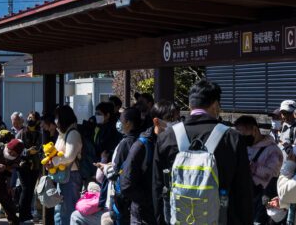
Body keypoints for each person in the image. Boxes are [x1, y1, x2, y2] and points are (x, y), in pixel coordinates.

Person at [153, 80, 254, 225]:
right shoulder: (232, 138)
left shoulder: (167, 137)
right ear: (215, 105)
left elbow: (157, 187)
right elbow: (244, 192)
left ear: (190, 105)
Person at [120, 102, 172, 224]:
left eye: (177, 118)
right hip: (143, 216)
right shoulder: (142, 146)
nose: (175, 123)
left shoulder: (171, 143)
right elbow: (126, 184)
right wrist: (151, 199)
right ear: (156, 121)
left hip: (163, 213)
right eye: (170, 119)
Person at [234, 116, 284, 224]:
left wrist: (250, 165)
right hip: (242, 199)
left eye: (243, 134)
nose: (241, 138)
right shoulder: (243, 146)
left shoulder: (273, 150)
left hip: (262, 201)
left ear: (255, 130)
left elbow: (270, 175)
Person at [102, 106, 142, 225]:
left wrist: (105, 168)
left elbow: (115, 171)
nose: (119, 123)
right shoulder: (142, 139)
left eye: (121, 120)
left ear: (128, 123)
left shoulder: (125, 143)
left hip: (123, 196)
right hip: (137, 193)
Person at [51, 105, 84, 225]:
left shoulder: (73, 133)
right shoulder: (62, 133)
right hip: (63, 176)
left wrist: (54, 161)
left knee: (67, 211)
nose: (55, 120)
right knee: (59, 211)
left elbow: (69, 156)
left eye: (56, 117)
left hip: (71, 176)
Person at [16, 111, 43, 224]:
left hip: (35, 166)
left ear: (37, 121)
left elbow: (41, 149)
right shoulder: (21, 132)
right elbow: (14, 149)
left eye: (32, 118)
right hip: (23, 165)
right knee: (25, 189)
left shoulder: (40, 134)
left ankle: (27, 214)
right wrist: (27, 151)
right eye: (28, 117)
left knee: (30, 190)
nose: (29, 119)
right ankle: (22, 215)